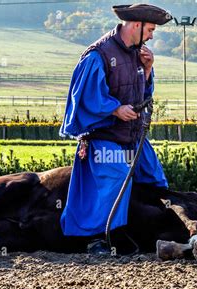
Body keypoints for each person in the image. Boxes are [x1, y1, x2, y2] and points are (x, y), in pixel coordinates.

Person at [59, 3, 173, 252]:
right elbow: (87, 96)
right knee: (117, 176)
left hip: (133, 137)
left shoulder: (138, 53)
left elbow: (143, 93)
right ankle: (99, 239)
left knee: (156, 179)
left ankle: (143, 229)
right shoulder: (97, 55)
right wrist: (114, 109)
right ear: (135, 25)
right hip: (104, 138)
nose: (152, 35)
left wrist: (148, 69)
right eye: (151, 30)